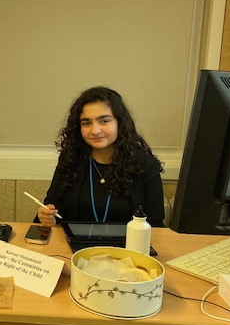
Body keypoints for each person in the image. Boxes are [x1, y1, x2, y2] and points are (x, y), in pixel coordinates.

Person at [36, 86, 164, 227]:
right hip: (74, 240)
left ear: (120, 123)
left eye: (104, 121)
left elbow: (155, 222)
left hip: (129, 241)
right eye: (86, 123)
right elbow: (52, 205)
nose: (95, 131)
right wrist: (48, 216)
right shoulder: (71, 159)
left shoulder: (145, 164)